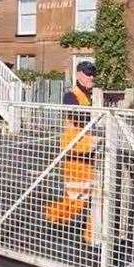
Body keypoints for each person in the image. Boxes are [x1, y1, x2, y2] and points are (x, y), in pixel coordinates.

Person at [45, 61, 97, 244]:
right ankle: (52, 216)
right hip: (74, 154)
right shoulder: (71, 95)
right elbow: (78, 116)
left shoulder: (91, 97)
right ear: (78, 75)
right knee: (78, 199)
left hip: (87, 152)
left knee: (89, 196)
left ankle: (91, 236)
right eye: (87, 73)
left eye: (93, 74)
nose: (91, 77)